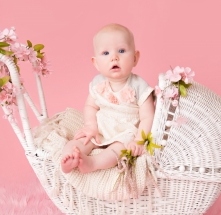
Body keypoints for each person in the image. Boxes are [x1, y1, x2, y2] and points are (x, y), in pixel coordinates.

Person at [61, 24, 155, 174]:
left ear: (135, 58)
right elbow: (90, 106)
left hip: (125, 132)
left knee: (118, 150)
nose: (114, 57)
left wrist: (138, 140)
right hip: (101, 127)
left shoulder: (140, 86)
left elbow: (148, 116)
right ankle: (68, 157)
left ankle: (93, 163)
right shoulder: (98, 83)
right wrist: (91, 126)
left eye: (122, 51)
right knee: (82, 140)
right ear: (96, 63)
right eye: (105, 53)